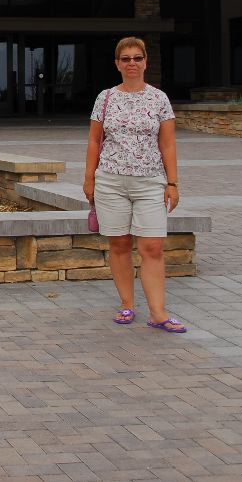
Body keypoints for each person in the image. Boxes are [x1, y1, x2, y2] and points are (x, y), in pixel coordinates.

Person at [82, 37, 185, 333]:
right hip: (110, 181)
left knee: (152, 246)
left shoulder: (159, 99)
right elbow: (94, 140)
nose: (132, 63)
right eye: (125, 58)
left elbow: (168, 144)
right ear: (117, 64)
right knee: (119, 244)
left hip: (150, 182)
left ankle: (158, 312)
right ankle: (127, 303)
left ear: (145, 62)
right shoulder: (105, 98)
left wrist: (172, 182)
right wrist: (89, 178)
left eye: (137, 58)